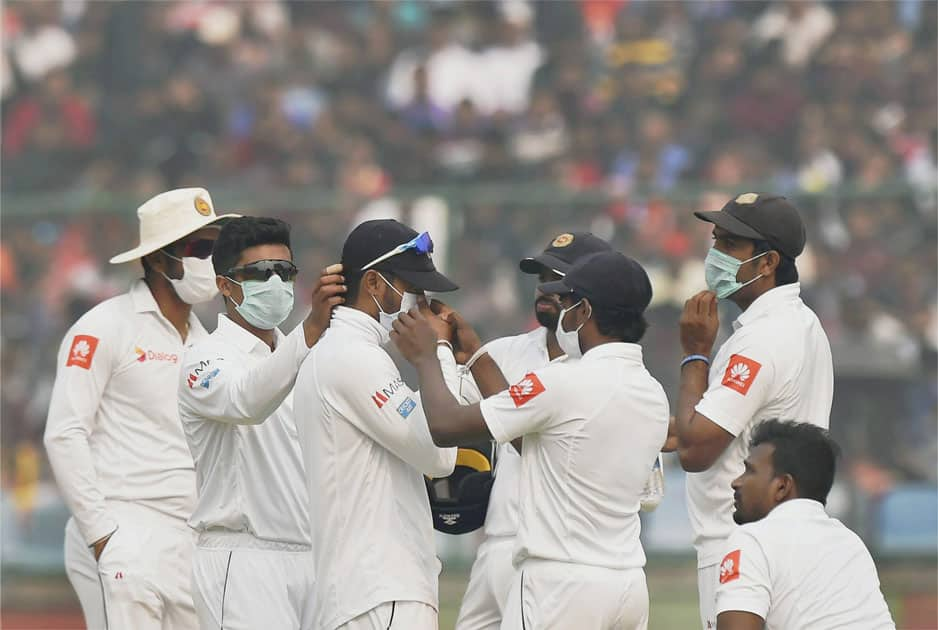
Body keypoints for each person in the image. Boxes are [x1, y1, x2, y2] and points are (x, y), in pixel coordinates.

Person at [392, 250, 670, 630]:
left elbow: (445, 425)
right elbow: (536, 446)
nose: (563, 313)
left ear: (585, 311)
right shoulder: (651, 390)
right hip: (628, 583)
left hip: (560, 584)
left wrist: (429, 355)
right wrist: (476, 356)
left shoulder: (562, 380)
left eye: (568, 301)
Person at [44, 188, 239, 629]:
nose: (211, 262)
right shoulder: (103, 327)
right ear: (157, 258)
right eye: (200, 248)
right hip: (123, 523)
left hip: (192, 535)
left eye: (217, 248)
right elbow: (64, 433)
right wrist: (103, 536)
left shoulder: (206, 343)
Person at [665, 193, 834, 630]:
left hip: (739, 538)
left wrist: (695, 355)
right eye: (716, 239)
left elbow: (696, 450)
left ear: (767, 262)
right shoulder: (801, 322)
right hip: (787, 535)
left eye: (730, 245)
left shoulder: (761, 340)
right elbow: (718, 426)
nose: (715, 255)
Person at [176, 217, 345, 630]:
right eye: (259, 273)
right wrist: (311, 330)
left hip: (314, 558)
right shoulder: (204, 359)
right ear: (225, 286)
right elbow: (247, 400)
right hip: (243, 559)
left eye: (284, 272)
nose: (275, 283)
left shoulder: (303, 352)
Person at [293, 219, 461, 630]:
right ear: (373, 283)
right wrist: (437, 351)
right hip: (381, 593)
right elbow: (440, 454)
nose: (422, 303)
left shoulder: (347, 353)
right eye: (412, 288)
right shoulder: (355, 357)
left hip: (364, 592)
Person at [454, 231, 613, 630]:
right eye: (542, 277)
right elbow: (449, 417)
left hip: (554, 555)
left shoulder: (605, 367)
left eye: (558, 280)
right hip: (494, 545)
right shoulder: (505, 351)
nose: (545, 289)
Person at [716, 420, 895, 629]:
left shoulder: (753, 539)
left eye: (749, 471)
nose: (736, 482)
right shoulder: (850, 542)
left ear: (782, 486)